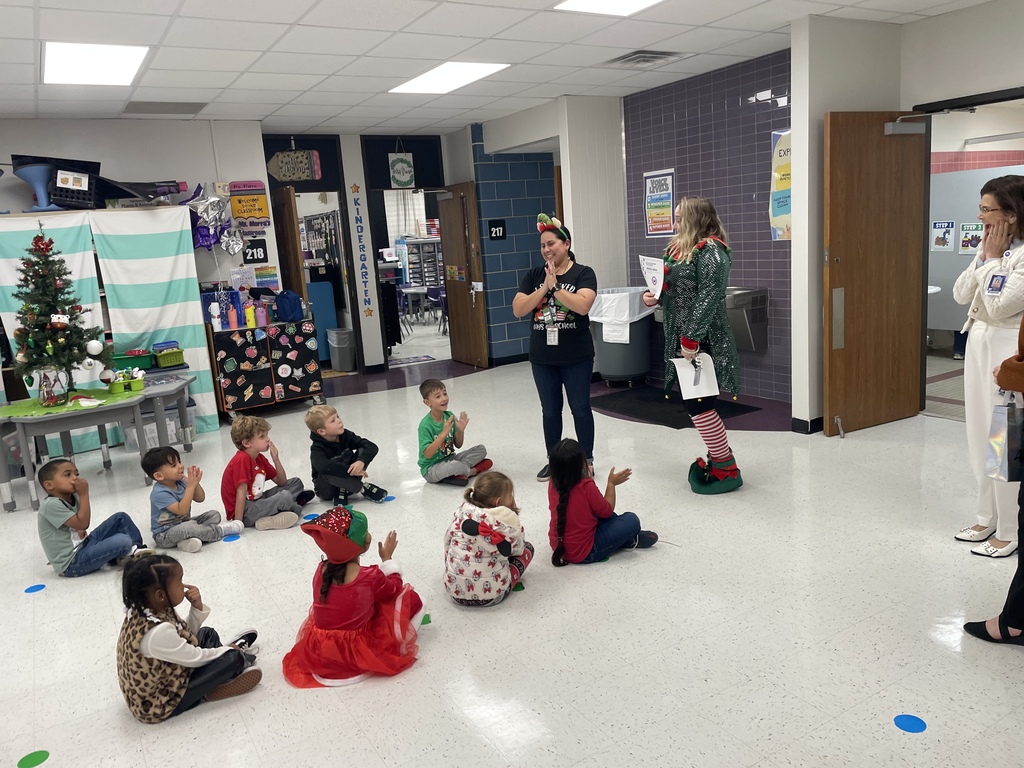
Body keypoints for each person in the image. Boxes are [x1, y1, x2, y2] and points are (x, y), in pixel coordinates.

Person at [642, 197, 743, 495]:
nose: (674, 223)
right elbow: (677, 289)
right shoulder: (679, 248)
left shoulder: (711, 251)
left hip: (703, 340)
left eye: (679, 218)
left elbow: (708, 297)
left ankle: (726, 466)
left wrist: (691, 339)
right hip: (684, 337)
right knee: (695, 402)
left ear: (696, 219)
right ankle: (719, 457)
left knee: (699, 404)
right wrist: (655, 295)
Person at [951, 175, 1024, 558]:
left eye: (986, 209)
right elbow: (960, 293)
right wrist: (984, 257)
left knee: (1003, 441)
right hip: (979, 345)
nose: (980, 216)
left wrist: (993, 260)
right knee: (980, 435)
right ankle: (986, 516)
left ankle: (1010, 530)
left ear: (1011, 214)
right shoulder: (991, 248)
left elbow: (998, 305)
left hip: (1006, 353)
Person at [282, 507, 423, 687]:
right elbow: (393, 590)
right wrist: (387, 560)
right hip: (358, 649)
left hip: (321, 649)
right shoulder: (370, 576)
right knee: (412, 598)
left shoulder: (321, 570)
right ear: (364, 544)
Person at [116, 553, 262, 723]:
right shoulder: (157, 632)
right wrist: (228, 651)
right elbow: (195, 657)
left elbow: (182, 635)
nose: (184, 586)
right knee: (233, 658)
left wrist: (196, 608)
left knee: (207, 633)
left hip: (166, 675)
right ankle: (227, 671)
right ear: (160, 595)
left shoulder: (147, 609)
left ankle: (219, 674)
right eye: (179, 582)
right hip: (161, 703)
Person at [512, 214, 598, 481]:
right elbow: (518, 309)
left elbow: (582, 306)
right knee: (550, 411)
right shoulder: (534, 275)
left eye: (551, 244)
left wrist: (557, 287)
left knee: (580, 408)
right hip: (542, 357)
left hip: (576, 356)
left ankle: (586, 460)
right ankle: (555, 461)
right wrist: (544, 288)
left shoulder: (583, 273)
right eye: (542, 245)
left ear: (566, 244)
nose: (546, 249)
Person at [547, 439, 657, 565]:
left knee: (604, 516)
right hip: (585, 552)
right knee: (632, 520)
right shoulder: (586, 485)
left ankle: (624, 538)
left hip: (557, 546)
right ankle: (628, 539)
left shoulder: (552, 483)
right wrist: (611, 484)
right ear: (581, 464)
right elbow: (607, 512)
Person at [36, 458, 150, 577]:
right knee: (122, 540)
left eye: (76, 474)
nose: (75, 478)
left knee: (120, 517)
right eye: (68, 475)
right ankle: (128, 552)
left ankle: (136, 550)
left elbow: (77, 522)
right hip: (72, 562)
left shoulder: (71, 497)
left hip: (83, 545)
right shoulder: (50, 504)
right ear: (49, 485)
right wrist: (84, 494)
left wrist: (79, 529)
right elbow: (83, 523)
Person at [444, 471, 534, 606]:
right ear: (498, 501)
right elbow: (518, 550)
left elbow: (447, 543)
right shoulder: (506, 523)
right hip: (493, 596)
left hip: (455, 593)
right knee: (528, 549)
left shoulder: (461, 514)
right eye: (510, 495)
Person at [220, 414, 314, 531]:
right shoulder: (241, 460)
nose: (268, 439)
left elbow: (282, 482)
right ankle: (290, 508)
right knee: (285, 496)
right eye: (262, 437)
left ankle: (278, 510)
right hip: (245, 510)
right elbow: (241, 493)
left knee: (296, 483)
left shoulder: (259, 458)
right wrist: (238, 523)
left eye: (267, 435)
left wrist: (276, 459)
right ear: (247, 443)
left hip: (258, 500)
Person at [143, 446, 243, 553]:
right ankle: (220, 531)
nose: (181, 466)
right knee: (189, 527)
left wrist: (195, 483)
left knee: (214, 515)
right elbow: (182, 510)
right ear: (159, 476)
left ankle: (185, 541)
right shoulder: (159, 493)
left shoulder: (180, 482)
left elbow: (200, 498)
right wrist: (190, 487)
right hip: (165, 535)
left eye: (180, 462)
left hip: (184, 523)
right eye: (174, 465)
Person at [305, 404, 387, 505]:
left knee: (363, 449)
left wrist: (361, 461)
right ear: (322, 431)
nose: (339, 421)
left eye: (338, 417)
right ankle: (362, 488)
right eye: (333, 420)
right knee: (327, 470)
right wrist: (349, 471)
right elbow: (324, 467)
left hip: (349, 477)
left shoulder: (345, 435)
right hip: (327, 490)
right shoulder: (317, 448)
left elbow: (371, 446)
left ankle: (343, 490)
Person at [417, 378, 491, 486]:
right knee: (454, 466)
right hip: (431, 468)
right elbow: (427, 454)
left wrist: (460, 431)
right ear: (427, 402)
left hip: (450, 459)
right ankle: (471, 471)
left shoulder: (449, 416)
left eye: (445, 394)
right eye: (438, 396)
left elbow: (458, 445)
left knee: (481, 449)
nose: (444, 398)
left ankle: (458, 472)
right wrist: (443, 434)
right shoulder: (425, 425)